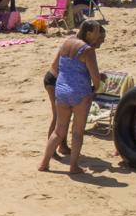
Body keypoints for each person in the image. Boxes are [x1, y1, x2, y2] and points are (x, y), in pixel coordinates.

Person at [39, 20, 105, 174]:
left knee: (58, 130)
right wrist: (96, 87)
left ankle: (44, 163)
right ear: (88, 33)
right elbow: (95, 78)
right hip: (79, 92)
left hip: (61, 90)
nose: (97, 37)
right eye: (96, 33)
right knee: (77, 132)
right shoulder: (88, 50)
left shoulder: (66, 43)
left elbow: (59, 66)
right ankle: (73, 166)